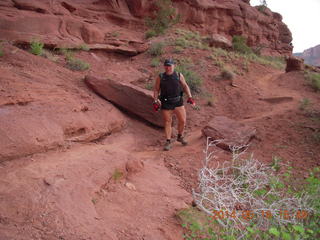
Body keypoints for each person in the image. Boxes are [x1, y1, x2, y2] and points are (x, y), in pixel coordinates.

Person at [153, 59, 195, 151]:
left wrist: (190, 97)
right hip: (166, 102)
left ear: (173, 66)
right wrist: (155, 101)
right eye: (166, 66)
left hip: (178, 102)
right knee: (168, 122)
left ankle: (180, 136)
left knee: (183, 121)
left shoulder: (179, 75)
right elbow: (156, 89)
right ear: (164, 66)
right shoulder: (161, 77)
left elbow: (185, 86)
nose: (168, 68)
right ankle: (168, 141)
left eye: (170, 66)